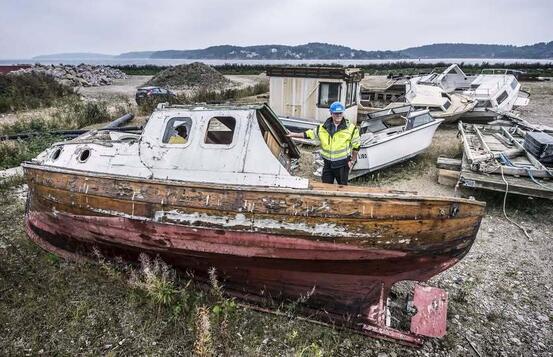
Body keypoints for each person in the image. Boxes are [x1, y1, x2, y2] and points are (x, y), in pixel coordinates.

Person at [288, 101, 360, 185]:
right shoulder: (323, 128)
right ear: (331, 113)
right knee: (326, 185)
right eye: (336, 113)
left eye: (340, 113)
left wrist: (352, 161)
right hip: (327, 164)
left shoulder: (351, 128)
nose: (338, 115)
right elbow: (308, 134)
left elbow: (356, 146)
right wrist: (293, 134)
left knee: (342, 186)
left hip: (342, 164)